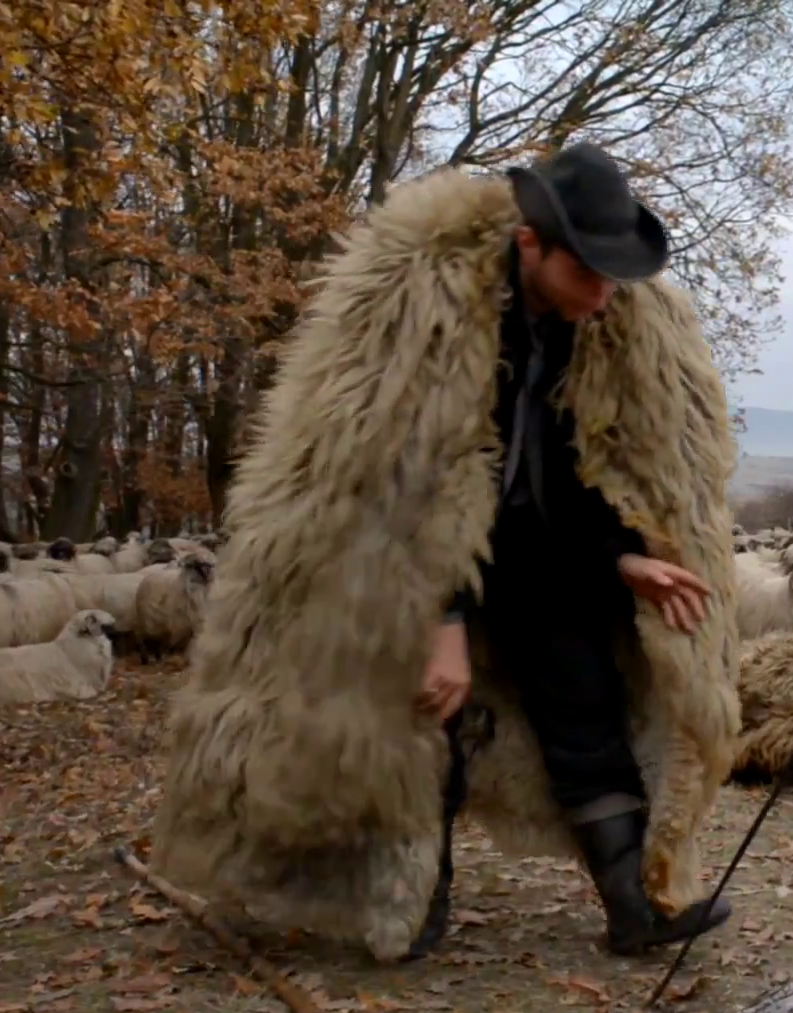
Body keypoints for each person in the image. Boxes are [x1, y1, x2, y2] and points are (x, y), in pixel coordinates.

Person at [151, 144, 743, 964]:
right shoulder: (422, 302)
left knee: (585, 694)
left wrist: (620, 557)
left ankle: (635, 904)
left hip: (531, 548)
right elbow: (388, 474)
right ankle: (411, 893)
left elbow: (580, 465)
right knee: (422, 713)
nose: (606, 295)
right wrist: (442, 620)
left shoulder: (596, 330)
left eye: (615, 276)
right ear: (531, 244)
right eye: (589, 272)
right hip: (394, 548)